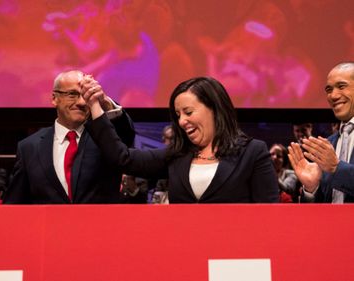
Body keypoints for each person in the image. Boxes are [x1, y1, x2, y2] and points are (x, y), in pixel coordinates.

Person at [83, 76, 279, 203]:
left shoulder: (253, 152)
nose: (182, 121)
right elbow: (122, 158)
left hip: (233, 257)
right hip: (184, 252)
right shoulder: (176, 156)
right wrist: (97, 108)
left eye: (188, 112)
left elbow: (268, 214)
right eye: (178, 115)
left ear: (215, 109)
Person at [4, 70, 135, 204]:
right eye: (72, 94)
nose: (81, 102)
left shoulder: (105, 139)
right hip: (48, 224)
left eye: (85, 95)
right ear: (55, 98)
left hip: (98, 224)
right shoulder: (29, 148)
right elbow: (14, 203)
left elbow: (126, 134)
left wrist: (105, 103)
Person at [289, 62, 354, 203]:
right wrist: (311, 189)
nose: (333, 96)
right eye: (329, 90)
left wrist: (337, 168)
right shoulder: (328, 144)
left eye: (341, 86)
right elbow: (317, 211)